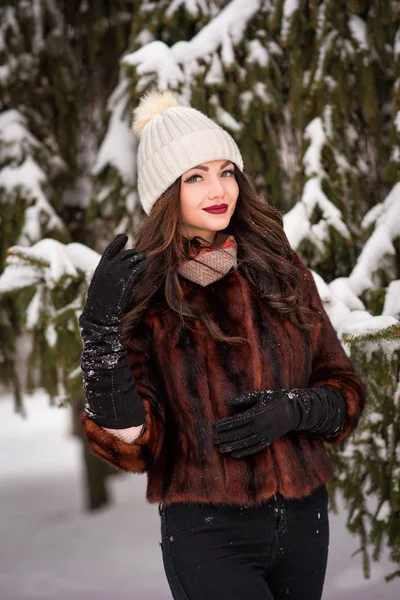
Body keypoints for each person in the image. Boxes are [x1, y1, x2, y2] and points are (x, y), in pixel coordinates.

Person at [79, 91, 366, 600]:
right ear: (167, 192)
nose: (219, 189)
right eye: (195, 176)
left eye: (226, 170)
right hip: (209, 531)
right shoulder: (148, 294)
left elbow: (343, 392)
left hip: (303, 519)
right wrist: (100, 331)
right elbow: (132, 440)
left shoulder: (279, 268)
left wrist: (295, 409)